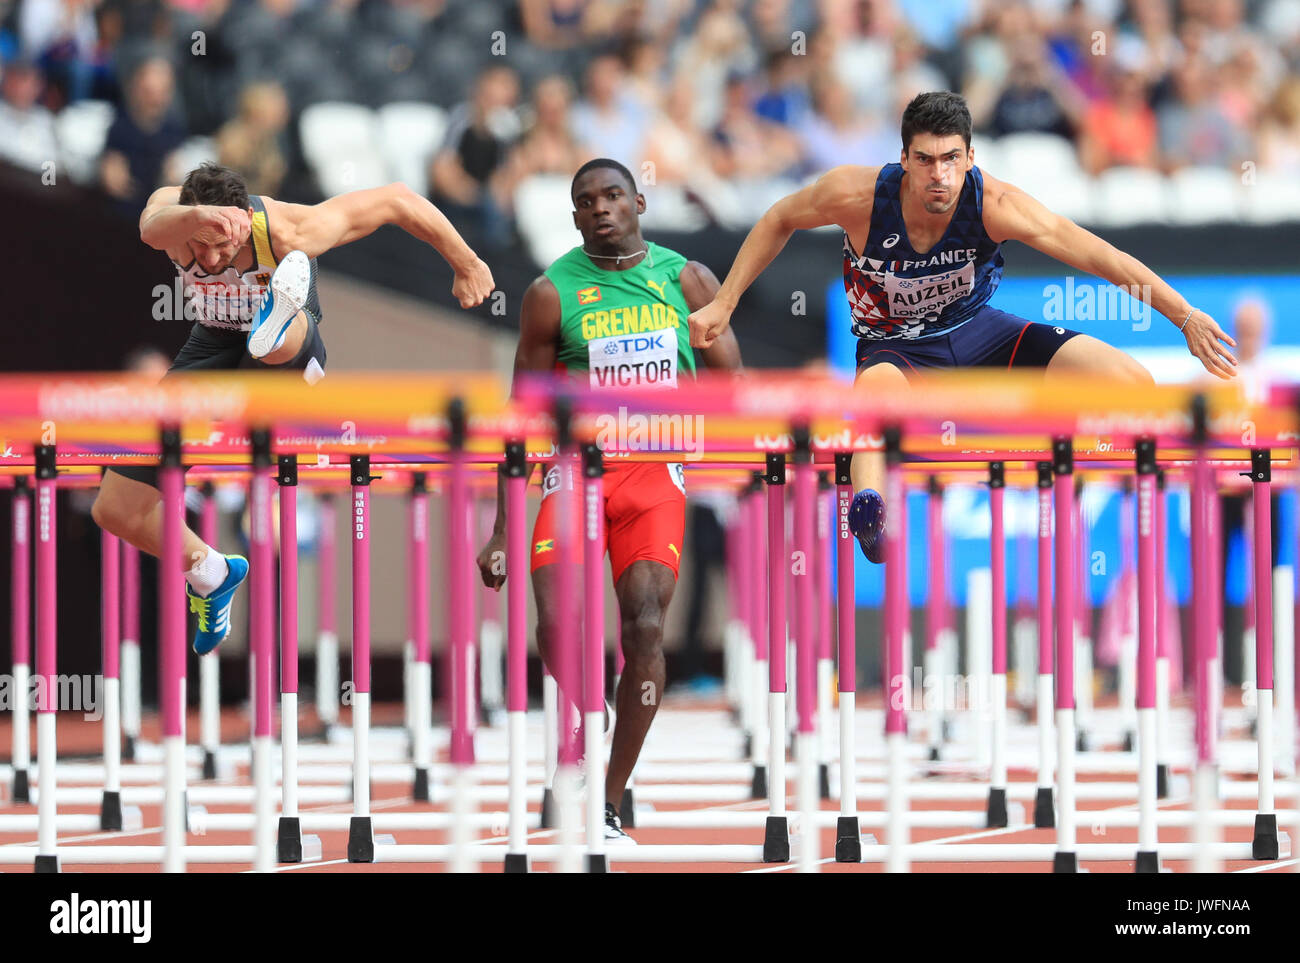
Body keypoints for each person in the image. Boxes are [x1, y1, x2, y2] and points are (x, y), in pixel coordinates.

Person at [687, 90, 1237, 563]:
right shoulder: (856, 197)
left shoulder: (994, 202)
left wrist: (1183, 316)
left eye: (951, 159)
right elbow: (779, 216)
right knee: (873, 400)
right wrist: (725, 302)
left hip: (981, 333)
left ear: (971, 156)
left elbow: (1100, 256)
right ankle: (872, 518)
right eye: (925, 160)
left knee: (1129, 382)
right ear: (903, 158)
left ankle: (1076, 473)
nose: (939, 175)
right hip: (895, 349)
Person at [91, 161, 495, 654]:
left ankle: (282, 311)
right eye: (203, 245)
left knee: (276, 342)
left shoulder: (288, 225)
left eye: (227, 245)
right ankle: (212, 573)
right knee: (114, 508)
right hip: (211, 349)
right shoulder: (174, 219)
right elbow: (150, 226)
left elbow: (396, 199)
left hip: (292, 353)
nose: (214, 255)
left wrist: (467, 263)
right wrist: (198, 217)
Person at [475, 158, 742, 842]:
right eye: (586, 200)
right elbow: (520, 413)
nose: (600, 208)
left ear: (640, 202)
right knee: (559, 623)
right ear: (574, 217)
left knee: (646, 625)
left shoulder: (686, 280)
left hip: (654, 471)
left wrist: (699, 437)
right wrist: (504, 526)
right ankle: (589, 718)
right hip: (574, 470)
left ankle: (612, 789)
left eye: (613, 195)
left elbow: (732, 381)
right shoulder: (549, 293)